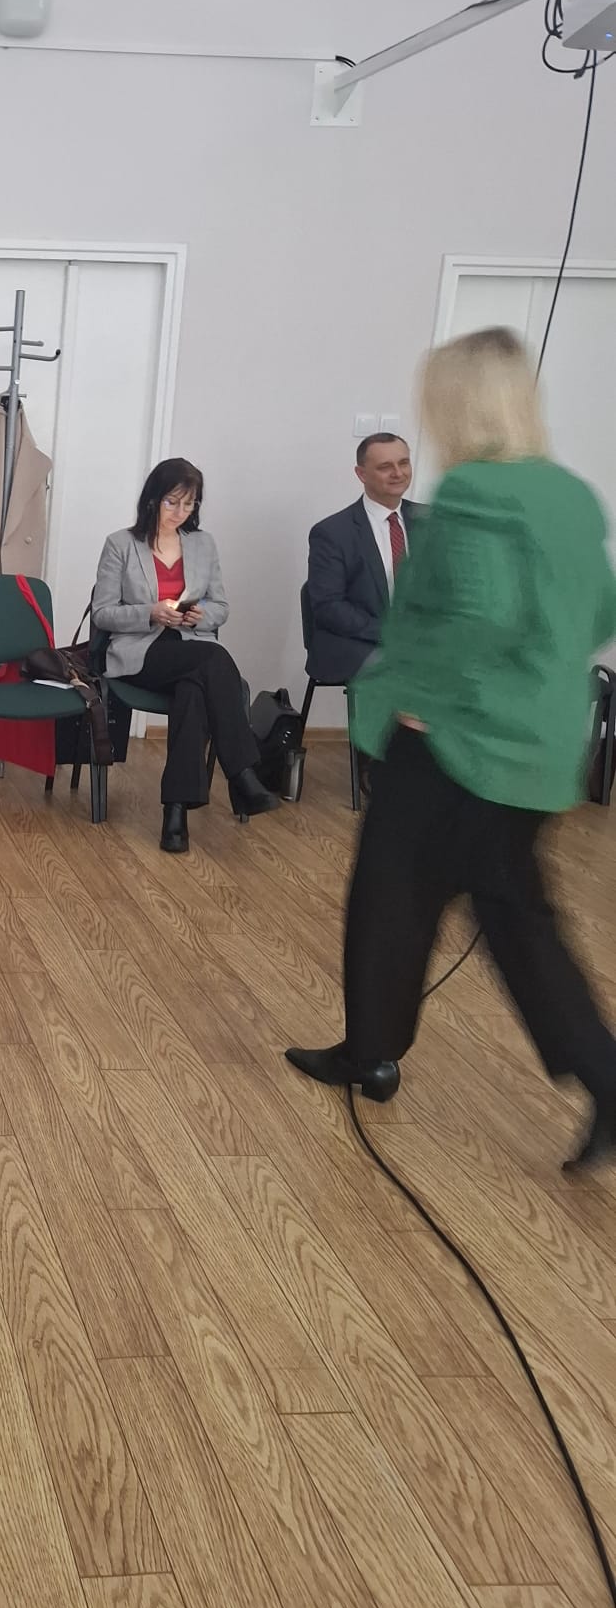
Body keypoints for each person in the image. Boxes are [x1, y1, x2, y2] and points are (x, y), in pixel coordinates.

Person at [287, 329, 616, 1168]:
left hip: (459, 746)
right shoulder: (570, 496)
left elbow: (479, 614)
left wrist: (426, 702)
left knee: (390, 897)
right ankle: (600, 1082)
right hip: (540, 749)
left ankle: (372, 1054)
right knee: (515, 919)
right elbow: (601, 612)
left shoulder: (475, 492)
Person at [92, 457, 279, 853]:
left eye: (189, 504)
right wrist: (150, 612)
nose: (180, 512)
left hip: (189, 649)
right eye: (172, 502)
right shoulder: (120, 544)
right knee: (213, 660)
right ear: (152, 500)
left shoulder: (202, 544)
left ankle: (175, 814)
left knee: (192, 693)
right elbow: (102, 613)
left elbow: (220, 606)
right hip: (140, 653)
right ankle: (242, 773)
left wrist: (199, 615)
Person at [306, 433, 422, 685]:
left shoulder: (430, 521)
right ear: (361, 474)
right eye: (385, 467)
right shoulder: (333, 533)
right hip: (357, 642)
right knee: (407, 671)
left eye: (403, 463)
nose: (398, 473)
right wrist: (392, 634)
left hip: (420, 639)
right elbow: (329, 607)